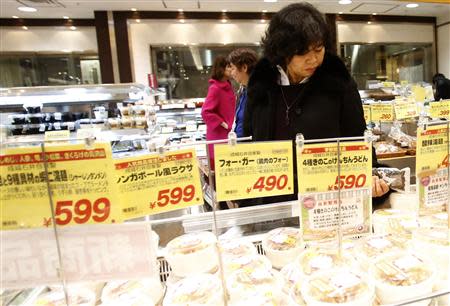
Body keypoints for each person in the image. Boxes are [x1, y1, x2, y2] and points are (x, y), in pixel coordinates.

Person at [243, 2, 389, 206]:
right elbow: (247, 139)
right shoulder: (262, 83)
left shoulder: (338, 83)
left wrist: (372, 175)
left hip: (327, 201)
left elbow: (358, 137)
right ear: (282, 51)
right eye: (302, 53)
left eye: (318, 49)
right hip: (272, 201)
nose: (313, 59)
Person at [201, 56, 236, 169]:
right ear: (221, 69)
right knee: (219, 170)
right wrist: (222, 123)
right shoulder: (215, 88)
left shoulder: (228, 85)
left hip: (228, 134)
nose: (231, 69)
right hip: (218, 136)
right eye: (228, 66)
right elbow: (205, 112)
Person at [228, 48, 258, 137]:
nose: (231, 73)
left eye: (233, 68)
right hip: (240, 144)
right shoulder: (242, 91)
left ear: (244, 67)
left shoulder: (259, 93)